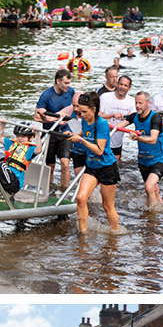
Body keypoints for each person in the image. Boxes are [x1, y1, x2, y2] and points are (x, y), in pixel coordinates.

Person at [70, 92, 120, 233]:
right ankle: (83, 233)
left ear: (93, 109)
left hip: (107, 168)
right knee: (80, 198)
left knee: (107, 205)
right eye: (80, 111)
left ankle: (115, 234)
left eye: (84, 112)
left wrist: (80, 140)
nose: (81, 115)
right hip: (92, 166)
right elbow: (85, 133)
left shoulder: (102, 125)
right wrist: (76, 135)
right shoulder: (85, 121)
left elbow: (99, 150)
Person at [125, 91, 163, 207]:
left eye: (140, 103)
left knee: (148, 187)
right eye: (136, 103)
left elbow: (153, 139)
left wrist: (138, 138)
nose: (137, 106)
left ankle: (152, 217)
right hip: (143, 161)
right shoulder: (134, 116)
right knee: (154, 190)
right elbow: (118, 126)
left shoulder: (155, 117)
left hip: (158, 160)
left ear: (148, 103)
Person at [34, 69, 75, 190]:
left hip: (66, 133)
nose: (68, 86)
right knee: (50, 166)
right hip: (50, 133)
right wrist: (53, 119)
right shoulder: (47, 95)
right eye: (66, 83)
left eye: (69, 83)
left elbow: (76, 108)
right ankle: (48, 191)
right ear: (58, 81)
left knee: (65, 163)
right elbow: (36, 117)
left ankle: (64, 192)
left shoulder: (71, 92)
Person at [0, 124, 39, 195]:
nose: (20, 139)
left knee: (0, 165)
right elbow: (0, 138)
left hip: (15, 183)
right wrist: (2, 125)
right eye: (18, 136)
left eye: (23, 136)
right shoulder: (11, 144)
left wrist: (37, 133)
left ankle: (8, 193)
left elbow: (39, 150)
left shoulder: (30, 149)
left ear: (31, 138)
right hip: (4, 176)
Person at [98, 74, 135, 162]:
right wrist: (112, 115)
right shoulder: (105, 97)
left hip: (117, 141)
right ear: (117, 84)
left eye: (125, 85)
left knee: (115, 167)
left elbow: (134, 118)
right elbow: (97, 116)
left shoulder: (131, 101)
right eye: (121, 84)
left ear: (129, 88)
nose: (122, 87)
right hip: (102, 137)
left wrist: (131, 117)